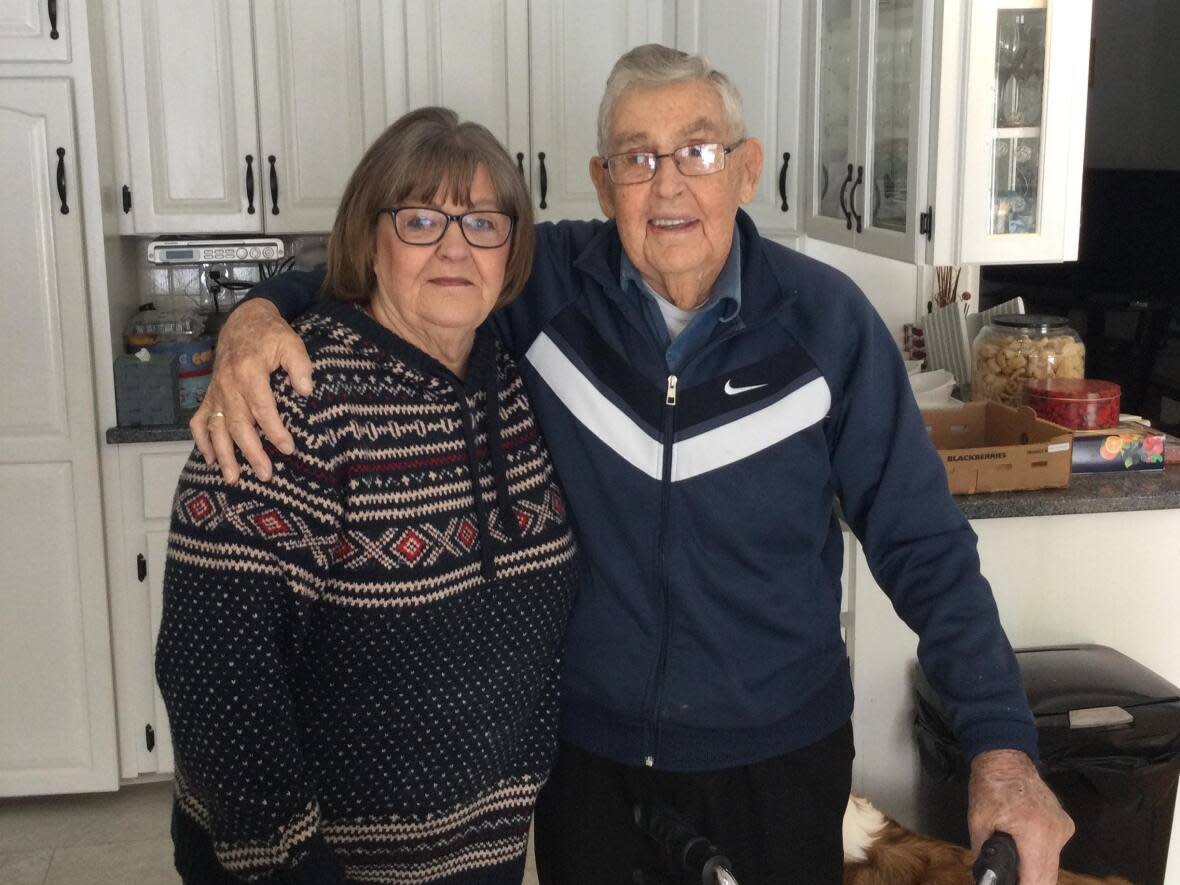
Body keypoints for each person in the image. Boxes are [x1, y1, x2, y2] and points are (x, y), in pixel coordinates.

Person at [192, 46, 1074, 885]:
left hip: (779, 756)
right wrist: (259, 312)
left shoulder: (827, 326)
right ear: (602, 182)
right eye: (636, 158)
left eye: (695, 150)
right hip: (591, 766)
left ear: (746, 168)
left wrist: (1002, 744)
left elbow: (925, 544)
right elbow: (405, 255)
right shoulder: (540, 292)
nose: (668, 184)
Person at [155, 107, 579, 885]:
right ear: (370, 239)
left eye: (483, 222)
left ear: (512, 246)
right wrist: (290, 863)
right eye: (420, 219)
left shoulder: (512, 379)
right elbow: (214, 670)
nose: (455, 246)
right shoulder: (292, 396)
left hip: (483, 854)